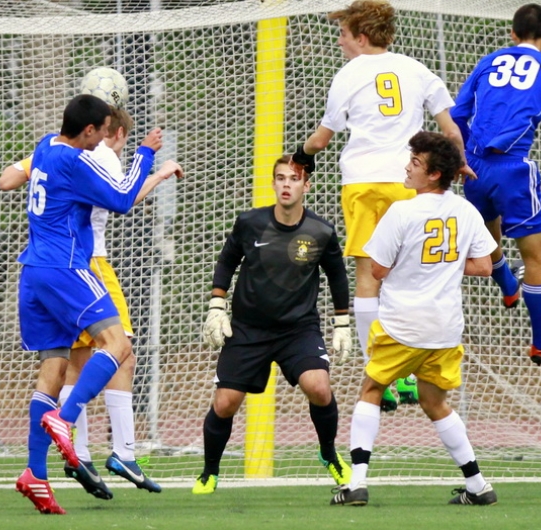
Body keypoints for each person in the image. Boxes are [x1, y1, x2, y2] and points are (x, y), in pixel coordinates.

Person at [291, 0, 473, 411]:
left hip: (362, 184)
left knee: (367, 277)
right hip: (408, 183)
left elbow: (321, 139)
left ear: (361, 36)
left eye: (343, 34)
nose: (339, 42)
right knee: (406, 277)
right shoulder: (416, 69)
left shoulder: (348, 75)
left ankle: (381, 371)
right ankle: (409, 371)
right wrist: (458, 163)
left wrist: (301, 155)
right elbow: (450, 130)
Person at [13, 94, 182, 515]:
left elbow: (11, 178)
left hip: (33, 271)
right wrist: (146, 153)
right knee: (118, 345)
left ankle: (35, 474)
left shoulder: (46, 145)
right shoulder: (75, 161)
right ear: (88, 130)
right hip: (67, 268)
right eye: (102, 131)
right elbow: (122, 200)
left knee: (53, 373)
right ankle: (66, 419)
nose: (105, 138)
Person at [330, 132, 498, 507]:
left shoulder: (402, 212)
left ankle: (356, 483)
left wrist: (414, 263)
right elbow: (485, 266)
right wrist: (443, 266)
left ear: (434, 174)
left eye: (416, 163)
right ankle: (478, 486)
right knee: (434, 401)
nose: (407, 167)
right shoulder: (466, 211)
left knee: (371, 390)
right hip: (445, 329)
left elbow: (377, 270)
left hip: (402, 325)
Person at [193, 155, 353, 495]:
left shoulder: (321, 231)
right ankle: (209, 472)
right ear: (273, 183)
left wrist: (342, 323)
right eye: (281, 178)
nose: (286, 184)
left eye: (294, 179)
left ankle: (329, 454)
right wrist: (217, 305)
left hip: (298, 329)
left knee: (319, 388)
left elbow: (338, 275)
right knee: (225, 403)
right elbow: (227, 260)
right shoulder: (250, 222)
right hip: (248, 329)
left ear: (306, 185)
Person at [450, 3, 541, 364]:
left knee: (488, 238)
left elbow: (457, 113)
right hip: (514, 171)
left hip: (474, 167)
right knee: (536, 257)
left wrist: (463, 157)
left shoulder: (489, 61)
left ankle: (508, 286)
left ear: (512, 34)